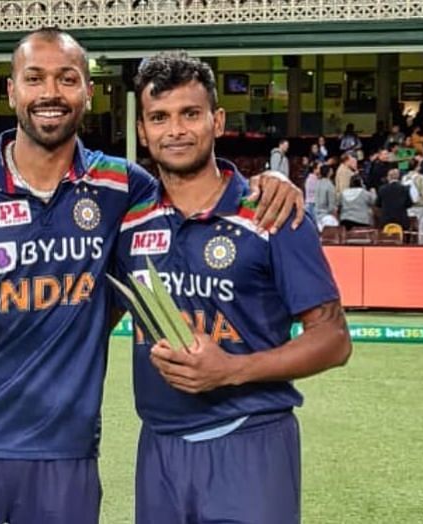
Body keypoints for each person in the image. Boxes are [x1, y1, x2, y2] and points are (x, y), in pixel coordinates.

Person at [0, 29, 305, 524]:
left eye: (67, 78)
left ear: (87, 92)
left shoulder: (125, 186)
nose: (50, 93)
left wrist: (271, 181)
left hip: (66, 452)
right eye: (34, 78)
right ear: (13, 92)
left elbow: (196, 193)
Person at [125, 51, 351, 523]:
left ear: (217, 120)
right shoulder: (128, 221)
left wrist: (230, 370)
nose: (176, 130)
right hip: (160, 448)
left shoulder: (272, 213)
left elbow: (333, 340)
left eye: (191, 113)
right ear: (143, 130)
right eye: (159, 117)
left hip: (252, 441)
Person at [402, 159, 423, 245]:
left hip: (408, 206)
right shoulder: (421, 177)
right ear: (417, 167)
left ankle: (408, 243)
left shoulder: (404, 178)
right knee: (421, 228)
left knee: (409, 227)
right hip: (420, 206)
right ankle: (421, 245)